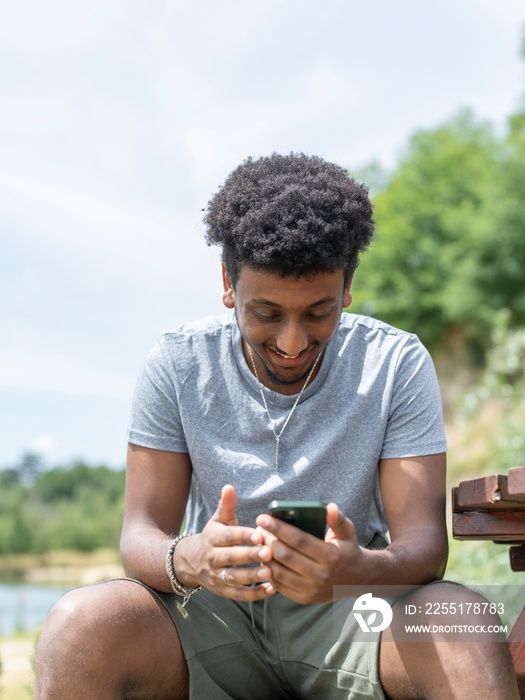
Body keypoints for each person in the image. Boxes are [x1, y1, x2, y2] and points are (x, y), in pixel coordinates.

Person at [34, 153, 519, 699]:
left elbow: (426, 546)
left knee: (464, 621)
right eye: (266, 313)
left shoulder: (396, 363)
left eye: (318, 313)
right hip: (212, 616)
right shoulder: (177, 364)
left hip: (353, 611)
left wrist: (355, 569)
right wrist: (190, 558)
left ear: (348, 287)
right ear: (227, 284)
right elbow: (139, 533)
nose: (292, 342)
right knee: (78, 626)